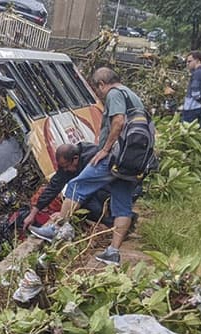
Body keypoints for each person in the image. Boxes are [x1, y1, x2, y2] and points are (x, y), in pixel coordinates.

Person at [29, 68, 144, 266]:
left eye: (97, 89)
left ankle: (55, 230)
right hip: (131, 160)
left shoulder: (114, 94)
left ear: (101, 84)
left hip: (115, 156)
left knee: (76, 186)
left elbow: (118, 121)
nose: (98, 94)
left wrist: (105, 149)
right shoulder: (132, 96)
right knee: (122, 206)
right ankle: (113, 252)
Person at [21, 143, 113, 231]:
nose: (65, 170)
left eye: (67, 166)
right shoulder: (67, 165)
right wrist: (33, 214)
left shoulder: (93, 158)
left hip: (108, 191)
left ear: (76, 158)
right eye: (63, 168)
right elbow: (53, 187)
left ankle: (111, 224)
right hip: (91, 195)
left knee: (87, 201)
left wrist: (64, 213)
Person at [181, 51, 201, 125]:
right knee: (197, 128)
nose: (187, 64)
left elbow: (195, 92)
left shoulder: (197, 73)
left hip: (191, 108)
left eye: (189, 61)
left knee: (186, 129)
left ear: (198, 61)